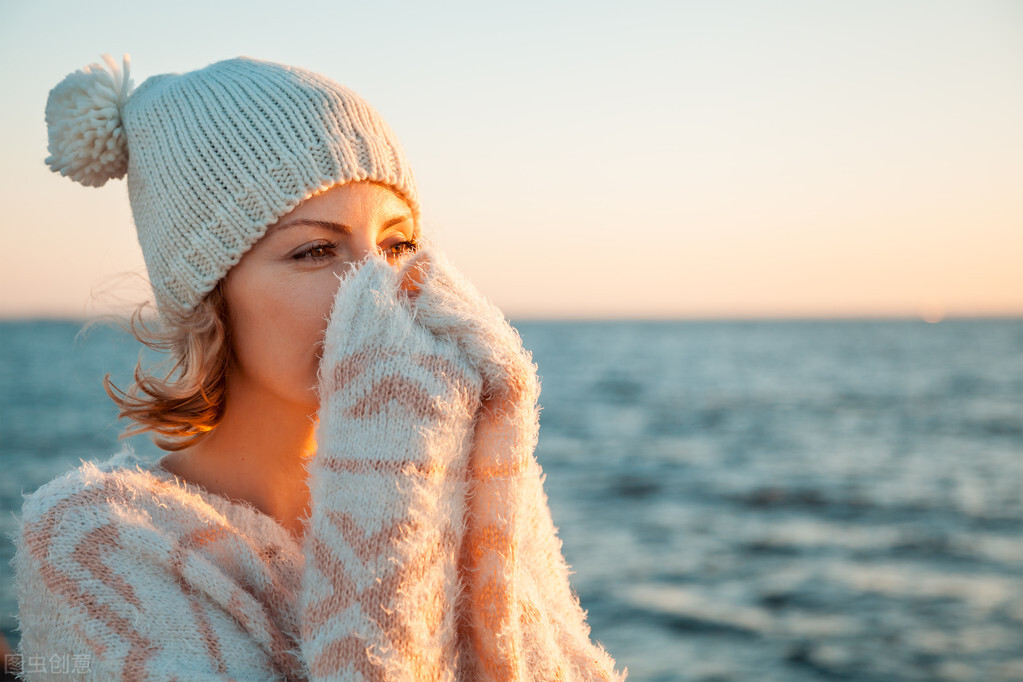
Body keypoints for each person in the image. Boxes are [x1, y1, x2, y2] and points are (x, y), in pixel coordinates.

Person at [11, 55, 625, 680]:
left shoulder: (468, 492)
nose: (380, 287)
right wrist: (386, 478)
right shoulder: (100, 535)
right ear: (210, 297)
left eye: (398, 244)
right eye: (315, 250)